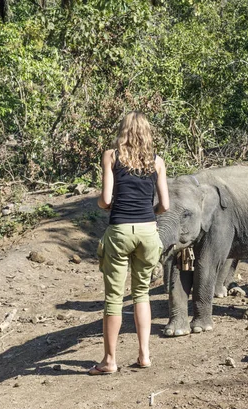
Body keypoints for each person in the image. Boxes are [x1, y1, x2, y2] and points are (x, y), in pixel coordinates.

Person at [89, 111, 169, 375]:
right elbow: (165, 206)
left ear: (123, 131)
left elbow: (105, 199)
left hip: (120, 231)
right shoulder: (157, 161)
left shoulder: (111, 156)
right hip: (148, 232)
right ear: (147, 132)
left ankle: (110, 361)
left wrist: (107, 205)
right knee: (141, 293)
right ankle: (144, 355)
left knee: (113, 298)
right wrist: (149, 215)